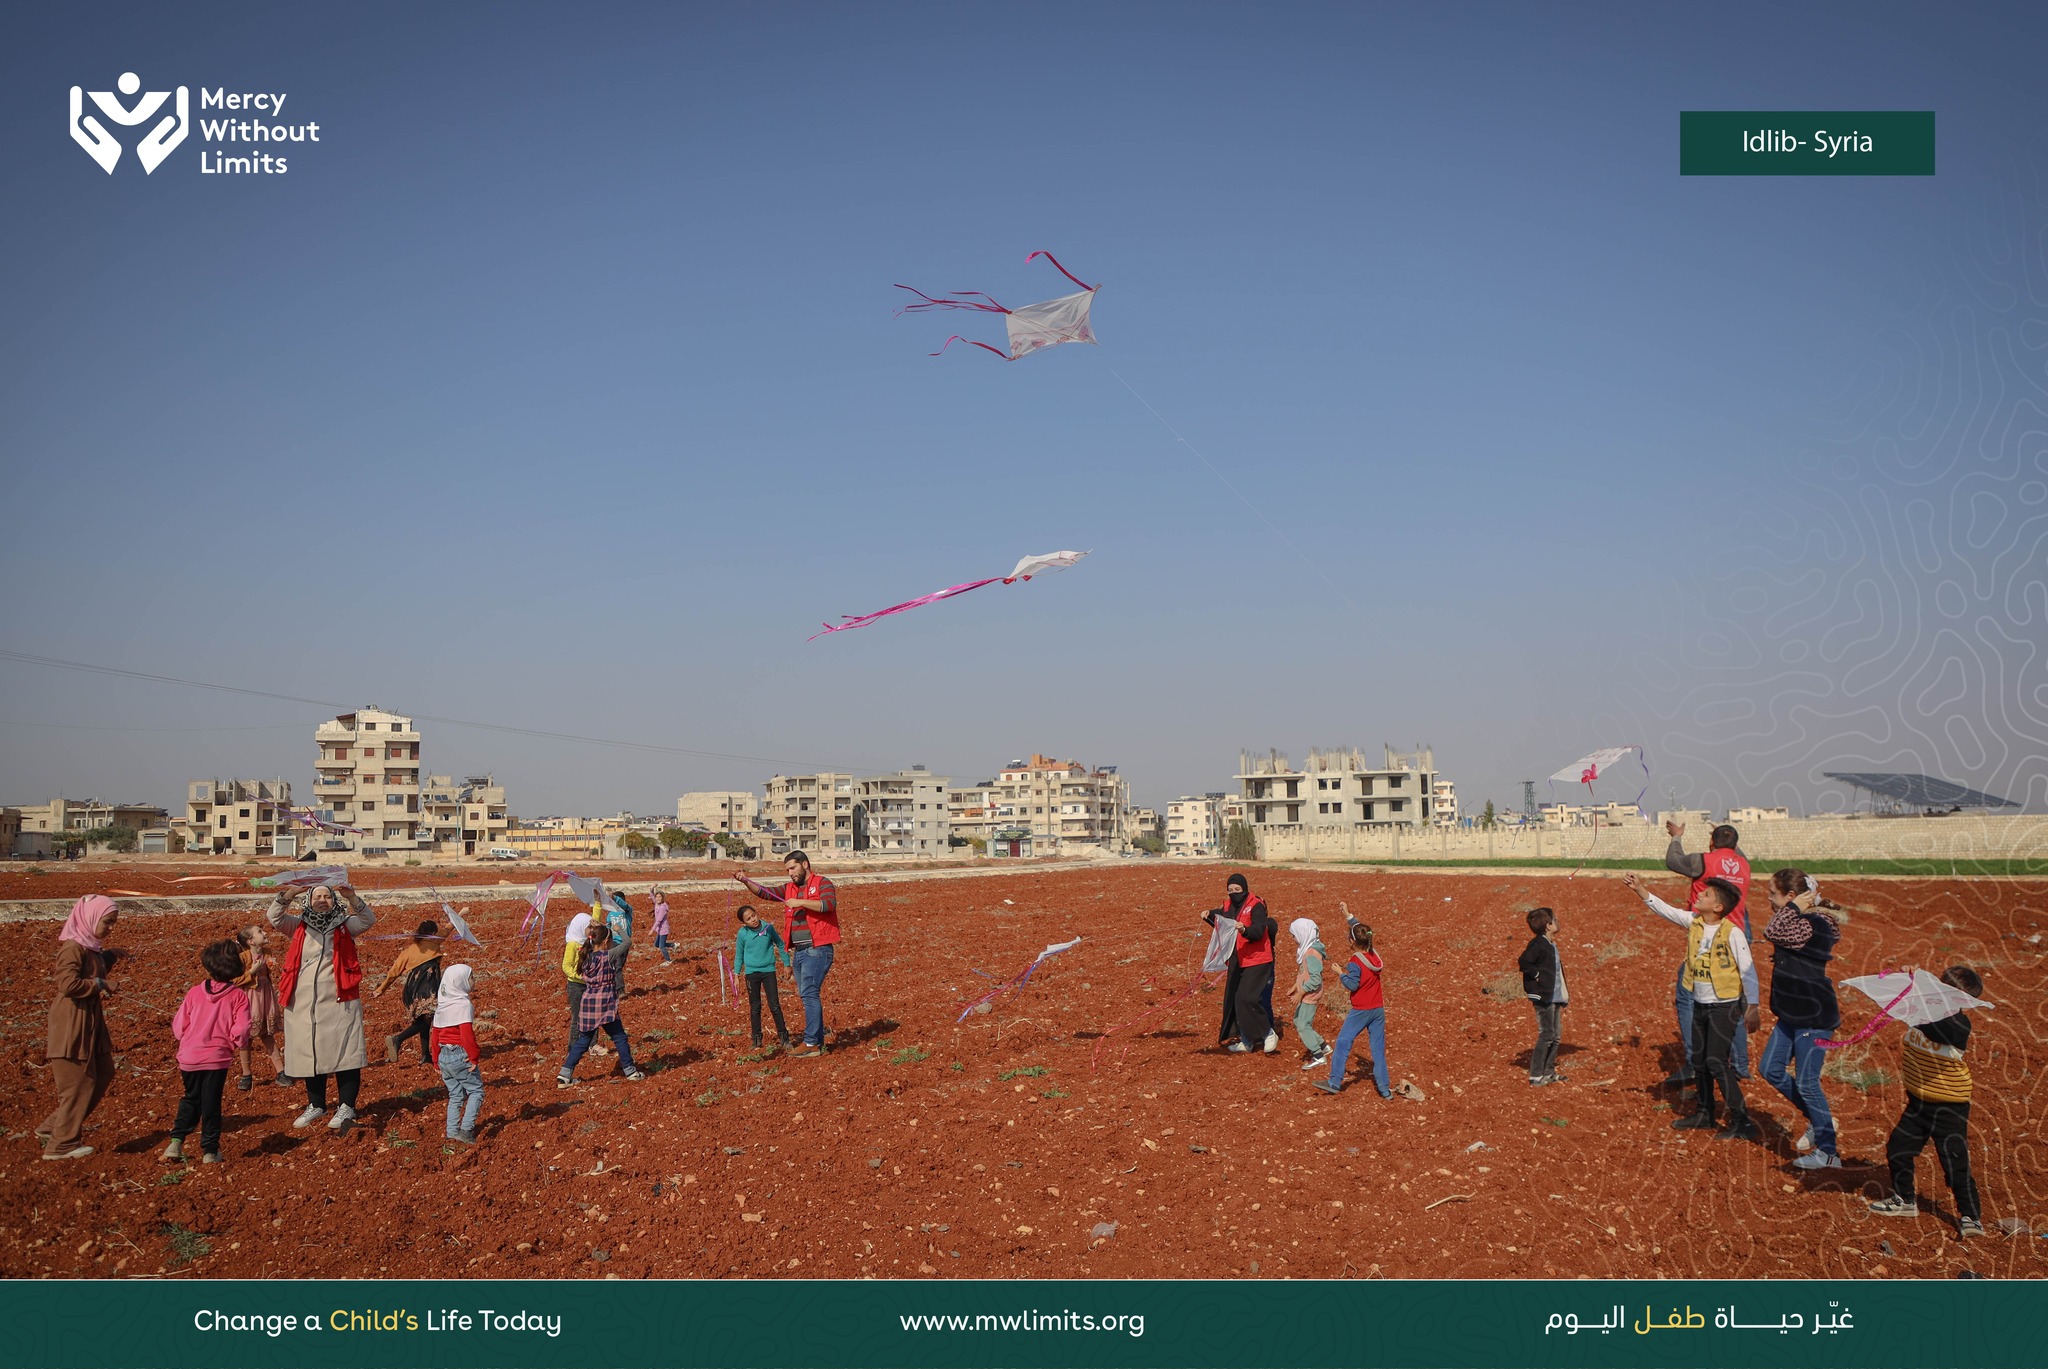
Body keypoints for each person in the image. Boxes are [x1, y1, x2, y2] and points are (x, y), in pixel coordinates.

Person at [1621, 872, 1760, 1141]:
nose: (1699, 895)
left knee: (1716, 1062)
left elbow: (1748, 971)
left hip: (1725, 1006)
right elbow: (1666, 910)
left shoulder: (1733, 934)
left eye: (1706, 895)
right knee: (1699, 1061)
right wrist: (1640, 889)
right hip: (1700, 1004)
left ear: (1718, 907)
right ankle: (1705, 1113)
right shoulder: (1694, 922)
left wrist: (1752, 1007)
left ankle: (1742, 1120)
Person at [1870, 966, 1985, 1237]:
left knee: (1954, 1161)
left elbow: (1934, 1029)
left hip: (1949, 1105)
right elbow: (1903, 1001)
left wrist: (1917, 992)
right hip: (1919, 1099)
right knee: (1899, 1147)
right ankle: (1905, 1199)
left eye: (1952, 994)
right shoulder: (1922, 1008)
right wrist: (1910, 980)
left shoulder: (1958, 1025)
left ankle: (1971, 1216)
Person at [266, 881, 378, 1134]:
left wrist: (352, 897)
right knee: (309, 1053)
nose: (322, 900)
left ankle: (347, 1106)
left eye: (326, 896)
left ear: (333, 900)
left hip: (340, 999)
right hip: (302, 1001)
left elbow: (368, 920)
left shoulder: (345, 925)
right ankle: (316, 1105)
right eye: (316, 896)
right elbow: (274, 917)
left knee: (345, 1054)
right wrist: (288, 894)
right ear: (308, 900)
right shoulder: (297, 926)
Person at [1757, 868, 1843, 1170]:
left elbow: (1774, 932)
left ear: (1791, 897)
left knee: (1807, 1083)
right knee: (1769, 1069)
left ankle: (1829, 1152)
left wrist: (1793, 908)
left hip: (1813, 1016)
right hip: (1792, 1012)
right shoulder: (1804, 921)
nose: (1768, 897)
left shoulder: (1815, 923)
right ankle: (1819, 1118)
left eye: (1772, 893)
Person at [1663, 820, 1753, 1083]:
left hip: (1709, 936)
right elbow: (1737, 854)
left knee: (1687, 995)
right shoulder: (1744, 865)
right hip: (1737, 935)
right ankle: (1739, 1066)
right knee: (1733, 999)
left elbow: (1673, 861)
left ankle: (1695, 1062)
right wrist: (1724, 837)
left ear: (1711, 842)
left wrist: (1676, 837)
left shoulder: (1705, 860)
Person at [40, 895, 121, 1161]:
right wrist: (100, 984)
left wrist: (109, 956)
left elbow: (90, 968)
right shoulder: (73, 947)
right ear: (90, 918)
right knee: (80, 1082)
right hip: (72, 1022)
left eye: (113, 923)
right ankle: (61, 1144)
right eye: (107, 922)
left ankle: (53, 1127)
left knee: (104, 1070)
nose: (110, 928)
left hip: (90, 1021)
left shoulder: (90, 947)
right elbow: (67, 984)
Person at [736, 851, 838, 1058]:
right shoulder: (789, 888)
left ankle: (810, 1043)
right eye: (787, 870)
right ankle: (816, 1041)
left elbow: (828, 905)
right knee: (807, 995)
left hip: (817, 949)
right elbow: (764, 892)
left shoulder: (822, 883)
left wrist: (800, 902)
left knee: (809, 993)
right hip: (800, 951)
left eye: (793, 868)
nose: (790, 873)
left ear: (805, 864)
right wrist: (745, 881)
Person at [163, 938, 252, 1164]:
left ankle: (176, 1141)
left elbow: (179, 1025)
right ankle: (210, 1151)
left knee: (191, 1098)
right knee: (211, 1102)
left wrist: (187, 1041)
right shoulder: (237, 996)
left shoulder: (195, 992)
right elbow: (241, 1029)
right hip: (216, 1059)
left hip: (189, 1057)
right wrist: (235, 1043)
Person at [557, 922, 647, 1086]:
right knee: (619, 1037)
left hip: (588, 1003)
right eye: (610, 941)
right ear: (606, 942)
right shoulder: (608, 955)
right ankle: (631, 1071)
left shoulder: (585, 956)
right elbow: (627, 942)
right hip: (605, 1004)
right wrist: (618, 929)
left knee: (583, 1040)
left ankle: (564, 1075)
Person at [1312, 912, 1390, 1097]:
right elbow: (1362, 931)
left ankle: (1334, 1081)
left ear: (1351, 941)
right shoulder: (1374, 955)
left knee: (1343, 1042)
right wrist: (1348, 915)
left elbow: (1352, 984)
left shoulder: (1355, 962)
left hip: (1361, 1010)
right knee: (1378, 1049)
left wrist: (1340, 973)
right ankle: (1385, 1089)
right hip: (1377, 1008)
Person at [1202, 873, 1278, 1054]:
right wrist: (1209, 915)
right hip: (1237, 958)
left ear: (1245, 889)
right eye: (1230, 890)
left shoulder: (1255, 905)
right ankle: (1246, 1040)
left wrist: (1244, 930)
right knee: (1235, 999)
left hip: (1258, 959)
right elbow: (1223, 919)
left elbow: (1259, 930)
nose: (1234, 893)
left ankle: (1268, 1032)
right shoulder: (1228, 904)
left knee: (1247, 998)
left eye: (1237, 890)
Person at [376, 920, 443, 1066]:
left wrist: (381, 988)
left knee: (423, 1020)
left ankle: (425, 1055)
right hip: (426, 988)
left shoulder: (408, 951)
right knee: (425, 1019)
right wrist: (461, 914)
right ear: (433, 933)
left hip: (412, 988)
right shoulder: (434, 944)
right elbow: (448, 929)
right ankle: (398, 1039)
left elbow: (394, 972)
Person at [431, 963, 483, 1144]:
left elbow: (435, 1035)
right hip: (460, 1054)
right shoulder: (463, 1004)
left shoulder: (442, 1005)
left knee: (455, 1095)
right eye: (471, 977)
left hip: (444, 1055)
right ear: (460, 982)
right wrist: (474, 1055)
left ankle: (451, 1131)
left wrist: (436, 1060)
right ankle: (466, 1130)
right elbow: (466, 1034)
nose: (474, 980)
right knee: (476, 1091)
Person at [1517, 907, 1569, 1086]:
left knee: (1555, 1036)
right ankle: (1536, 1075)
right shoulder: (1538, 944)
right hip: (1544, 997)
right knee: (1547, 1035)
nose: (1558, 920)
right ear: (1548, 925)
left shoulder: (1550, 944)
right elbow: (1524, 962)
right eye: (1555, 919)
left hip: (1554, 996)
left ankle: (1548, 1072)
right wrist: (1538, 977)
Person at [733, 905, 793, 1049]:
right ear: (744, 923)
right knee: (755, 1007)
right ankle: (757, 1039)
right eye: (748, 919)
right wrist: (736, 974)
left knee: (774, 1005)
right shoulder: (742, 934)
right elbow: (739, 954)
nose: (753, 920)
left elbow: (780, 944)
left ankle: (784, 1038)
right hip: (751, 974)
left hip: (768, 971)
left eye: (753, 915)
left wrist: (786, 964)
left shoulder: (767, 928)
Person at [235, 924, 286, 1089]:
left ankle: (281, 1072)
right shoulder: (243, 958)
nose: (264, 933)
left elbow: (271, 970)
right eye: (260, 932)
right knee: (246, 1037)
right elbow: (234, 980)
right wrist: (251, 972)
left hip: (265, 996)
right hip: (249, 999)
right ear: (250, 941)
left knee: (267, 1033)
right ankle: (246, 1075)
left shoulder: (267, 953)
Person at [1286, 916, 1329, 1071]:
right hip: (1306, 992)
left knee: (1303, 1025)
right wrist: (1295, 987)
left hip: (1310, 995)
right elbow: (1305, 974)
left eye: (1294, 935)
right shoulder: (1308, 950)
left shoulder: (1311, 954)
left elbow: (1315, 979)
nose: (1292, 939)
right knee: (1298, 1020)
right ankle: (1323, 1046)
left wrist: (1301, 992)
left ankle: (1318, 1055)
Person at [560, 905, 594, 1051]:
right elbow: (566, 966)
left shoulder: (588, 942)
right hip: (576, 986)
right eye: (588, 928)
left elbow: (595, 920)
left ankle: (592, 1045)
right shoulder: (573, 944)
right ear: (581, 927)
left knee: (592, 1014)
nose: (591, 931)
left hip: (589, 983)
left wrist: (597, 903)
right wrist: (579, 976)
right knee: (577, 1017)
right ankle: (573, 1047)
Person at [651, 889, 673, 966]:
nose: (658, 898)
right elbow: (652, 896)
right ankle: (673, 945)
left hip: (663, 929)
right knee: (656, 944)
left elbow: (659, 920)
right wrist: (652, 888)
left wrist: (652, 930)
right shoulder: (657, 904)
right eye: (656, 897)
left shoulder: (663, 907)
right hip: (659, 930)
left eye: (660, 897)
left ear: (663, 898)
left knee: (661, 946)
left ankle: (668, 960)